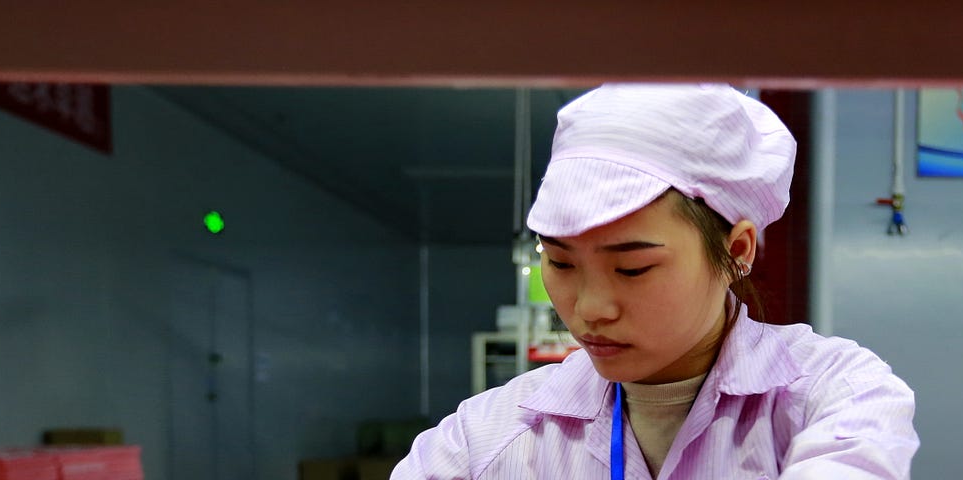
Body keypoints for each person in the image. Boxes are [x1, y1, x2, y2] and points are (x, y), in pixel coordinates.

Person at [392, 84, 919, 479]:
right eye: (561, 262)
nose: (590, 309)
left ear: (737, 251)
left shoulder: (832, 395)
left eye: (632, 268)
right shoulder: (491, 437)